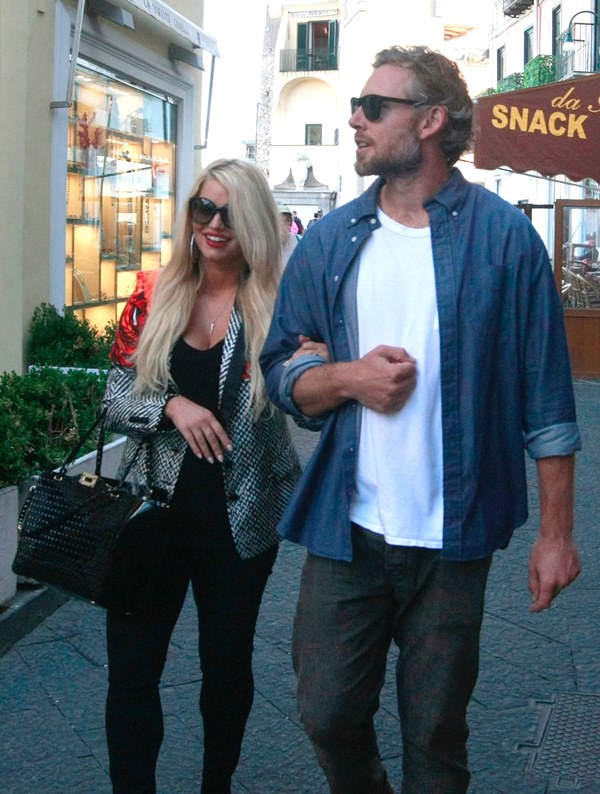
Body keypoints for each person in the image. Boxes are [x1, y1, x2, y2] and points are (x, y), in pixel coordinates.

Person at [260, 46, 581, 793]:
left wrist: (556, 534)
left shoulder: (505, 240)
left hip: (453, 534)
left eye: (375, 107)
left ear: (431, 121)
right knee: (326, 710)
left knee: (436, 732)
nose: (355, 119)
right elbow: (281, 372)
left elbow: (547, 400)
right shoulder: (331, 242)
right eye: (356, 105)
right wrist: (347, 377)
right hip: (349, 528)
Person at [102, 158, 301, 794]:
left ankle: (218, 783)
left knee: (226, 668)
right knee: (131, 671)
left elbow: (306, 404)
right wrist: (170, 405)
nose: (214, 224)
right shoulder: (155, 293)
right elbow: (113, 393)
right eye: (203, 208)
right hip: (151, 516)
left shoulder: (281, 307)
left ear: (256, 224)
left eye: (231, 213)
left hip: (240, 521)